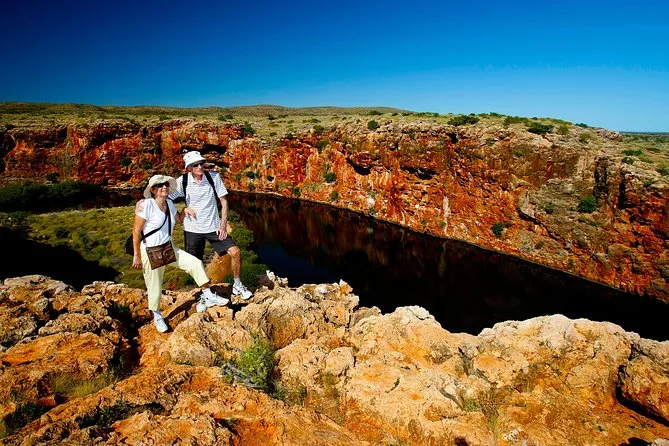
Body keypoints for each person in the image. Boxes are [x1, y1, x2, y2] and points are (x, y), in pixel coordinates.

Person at [132, 174, 229, 333]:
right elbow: (136, 232)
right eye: (160, 185)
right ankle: (157, 315)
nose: (164, 187)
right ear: (153, 190)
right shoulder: (146, 205)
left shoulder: (169, 203)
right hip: (151, 251)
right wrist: (137, 255)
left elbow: (179, 219)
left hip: (168, 248)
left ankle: (208, 294)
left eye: (166, 184)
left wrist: (185, 210)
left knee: (195, 263)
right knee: (155, 285)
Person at [171, 151, 253, 300]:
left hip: (213, 227)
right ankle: (205, 294)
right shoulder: (183, 181)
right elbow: (165, 197)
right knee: (195, 264)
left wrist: (223, 225)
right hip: (192, 229)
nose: (200, 167)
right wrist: (181, 212)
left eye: (201, 163)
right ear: (189, 168)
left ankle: (237, 284)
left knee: (235, 252)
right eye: (195, 165)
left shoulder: (213, 177)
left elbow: (224, 202)